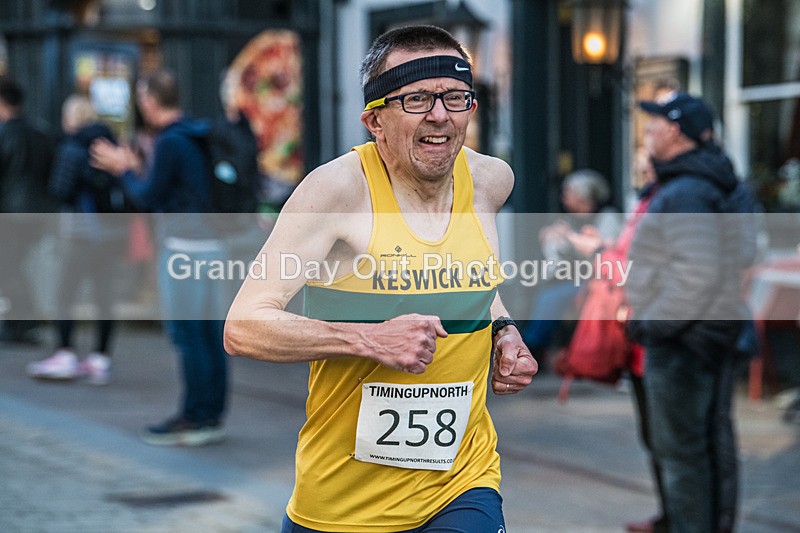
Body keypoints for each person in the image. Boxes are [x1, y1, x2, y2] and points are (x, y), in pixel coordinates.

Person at [224, 25, 538, 532]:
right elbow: (243, 326)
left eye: (455, 97)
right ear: (375, 120)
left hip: (461, 482)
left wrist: (503, 331)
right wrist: (368, 338)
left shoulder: (490, 182)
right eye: (416, 99)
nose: (440, 115)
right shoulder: (335, 191)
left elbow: (475, 283)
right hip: (342, 502)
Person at [625, 92, 758, 533]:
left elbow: (696, 274)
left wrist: (649, 324)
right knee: (703, 448)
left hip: (684, 342)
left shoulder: (687, 191)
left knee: (684, 455)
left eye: (654, 124)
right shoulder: (703, 182)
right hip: (704, 335)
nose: (648, 133)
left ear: (675, 131)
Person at [90, 70, 229, 446]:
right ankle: (211, 414)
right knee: (209, 334)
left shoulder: (170, 141)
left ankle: (195, 417)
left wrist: (123, 169)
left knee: (188, 335)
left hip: (183, 248)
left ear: (150, 100)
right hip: (210, 245)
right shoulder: (194, 134)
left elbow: (146, 197)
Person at [26, 94, 128, 384]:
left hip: (81, 234)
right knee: (104, 296)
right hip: (113, 234)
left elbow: (61, 189)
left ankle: (65, 353)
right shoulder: (111, 144)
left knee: (64, 293)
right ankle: (100, 358)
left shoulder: (71, 147)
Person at [522, 168, 622, 361]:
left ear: (584, 196)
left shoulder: (607, 217)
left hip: (598, 282)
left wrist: (569, 237)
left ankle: (531, 347)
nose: (564, 197)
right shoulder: (569, 218)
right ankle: (536, 347)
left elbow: (603, 255)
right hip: (569, 278)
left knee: (550, 297)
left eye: (569, 192)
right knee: (543, 291)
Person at [0, 75, 56, 343]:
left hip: (11, 214)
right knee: (14, 267)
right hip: (37, 213)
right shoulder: (40, 133)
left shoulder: (4, 133)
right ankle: (21, 321)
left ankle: (20, 322)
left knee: (9, 268)